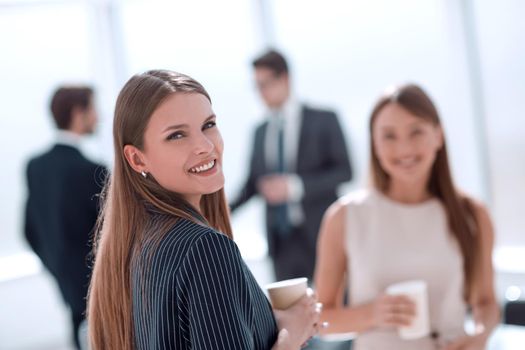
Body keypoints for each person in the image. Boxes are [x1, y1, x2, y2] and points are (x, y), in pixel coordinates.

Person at [87, 70, 321, 349]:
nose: (206, 146)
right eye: (176, 135)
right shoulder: (205, 247)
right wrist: (292, 335)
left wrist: (259, 317)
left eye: (208, 125)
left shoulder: (135, 246)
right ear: (137, 159)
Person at [315, 84, 500, 349]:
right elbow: (320, 318)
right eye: (389, 136)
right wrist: (371, 314)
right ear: (374, 145)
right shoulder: (344, 217)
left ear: (438, 135)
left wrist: (480, 335)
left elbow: (486, 302)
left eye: (416, 132)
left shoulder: (473, 215)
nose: (404, 148)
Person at [230, 49, 352, 282]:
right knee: (290, 313)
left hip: (322, 231)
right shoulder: (260, 131)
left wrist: (294, 187)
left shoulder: (324, 119)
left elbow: (345, 171)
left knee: (338, 303)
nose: (262, 93)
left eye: (266, 83)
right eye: (257, 86)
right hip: (281, 241)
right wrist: (221, 210)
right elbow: (252, 184)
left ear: (285, 78)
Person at [24, 86, 106, 349]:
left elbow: (29, 231)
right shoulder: (92, 171)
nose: (99, 117)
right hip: (104, 292)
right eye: (94, 109)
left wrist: (60, 272)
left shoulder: (36, 166)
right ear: (78, 113)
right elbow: (116, 235)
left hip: (69, 290)